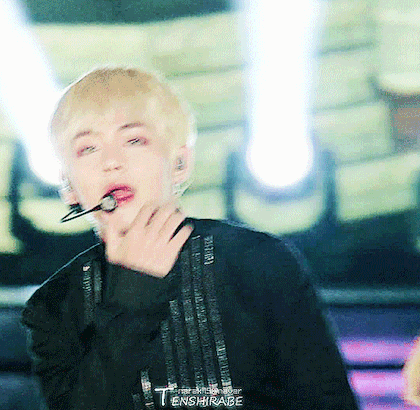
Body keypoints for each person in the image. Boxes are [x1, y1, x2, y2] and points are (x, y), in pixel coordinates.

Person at [21, 67, 358, 409]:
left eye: (134, 140)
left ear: (179, 163)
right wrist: (131, 296)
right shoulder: (54, 305)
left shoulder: (260, 262)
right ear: (68, 187)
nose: (111, 162)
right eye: (88, 148)